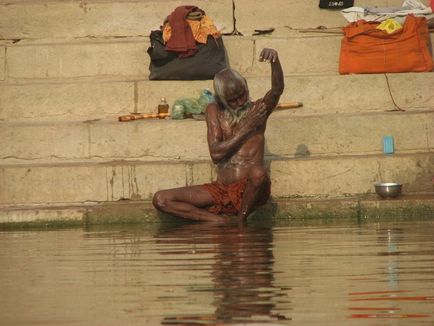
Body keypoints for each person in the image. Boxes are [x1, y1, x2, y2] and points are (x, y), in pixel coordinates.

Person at [153, 48, 284, 223]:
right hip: (221, 189)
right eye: (233, 100)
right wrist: (247, 127)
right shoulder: (214, 111)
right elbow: (216, 154)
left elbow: (277, 89)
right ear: (221, 99)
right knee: (161, 199)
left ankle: (240, 221)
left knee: (259, 174)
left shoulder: (258, 110)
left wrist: (275, 61)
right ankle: (217, 221)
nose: (240, 102)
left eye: (242, 95)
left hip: (250, 189)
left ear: (246, 84)